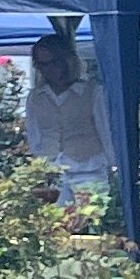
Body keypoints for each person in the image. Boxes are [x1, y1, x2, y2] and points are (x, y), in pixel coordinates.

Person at [22, 21, 109, 201]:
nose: (50, 69)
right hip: (53, 174)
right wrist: (42, 162)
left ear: (67, 60)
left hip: (89, 170)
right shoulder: (36, 97)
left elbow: (105, 130)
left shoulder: (93, 92)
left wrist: (113, 164)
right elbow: (34, 134)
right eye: (43, 64)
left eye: (54, 62)